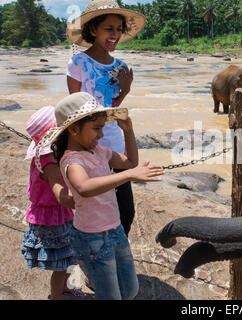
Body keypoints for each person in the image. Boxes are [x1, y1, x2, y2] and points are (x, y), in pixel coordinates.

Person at [35, 92, 164, 300]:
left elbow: (130, 162)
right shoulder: (72, 160)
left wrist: (129, 132)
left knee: (130, 290)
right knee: (110, 296)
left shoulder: (99, 151)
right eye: (96, 128)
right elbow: (84, 187)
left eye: (102, 128)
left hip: (115, 231)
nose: (101, 135)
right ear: (74, 129)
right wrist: (130, 175)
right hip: (91, 239)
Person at [66, 0, 146, 236]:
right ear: (93, 30)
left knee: (125, 211)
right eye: (109, 29)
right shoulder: (78, 63)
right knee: (95, 208)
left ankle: (116, 252)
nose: (115, 35)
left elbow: (110, 107)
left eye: (119, 29)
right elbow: (76, 109)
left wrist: (125, 90)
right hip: (89, 144)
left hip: (114, 141)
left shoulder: (120, 65)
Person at [21, 106, 84, 300]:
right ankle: (56, 297)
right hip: (51, 218)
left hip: (58, 214)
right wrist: (87, 202)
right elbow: (62, 197)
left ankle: (63, 289)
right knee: (62, 263)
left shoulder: (52, 156)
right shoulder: (48, 163)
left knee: (69, 257)